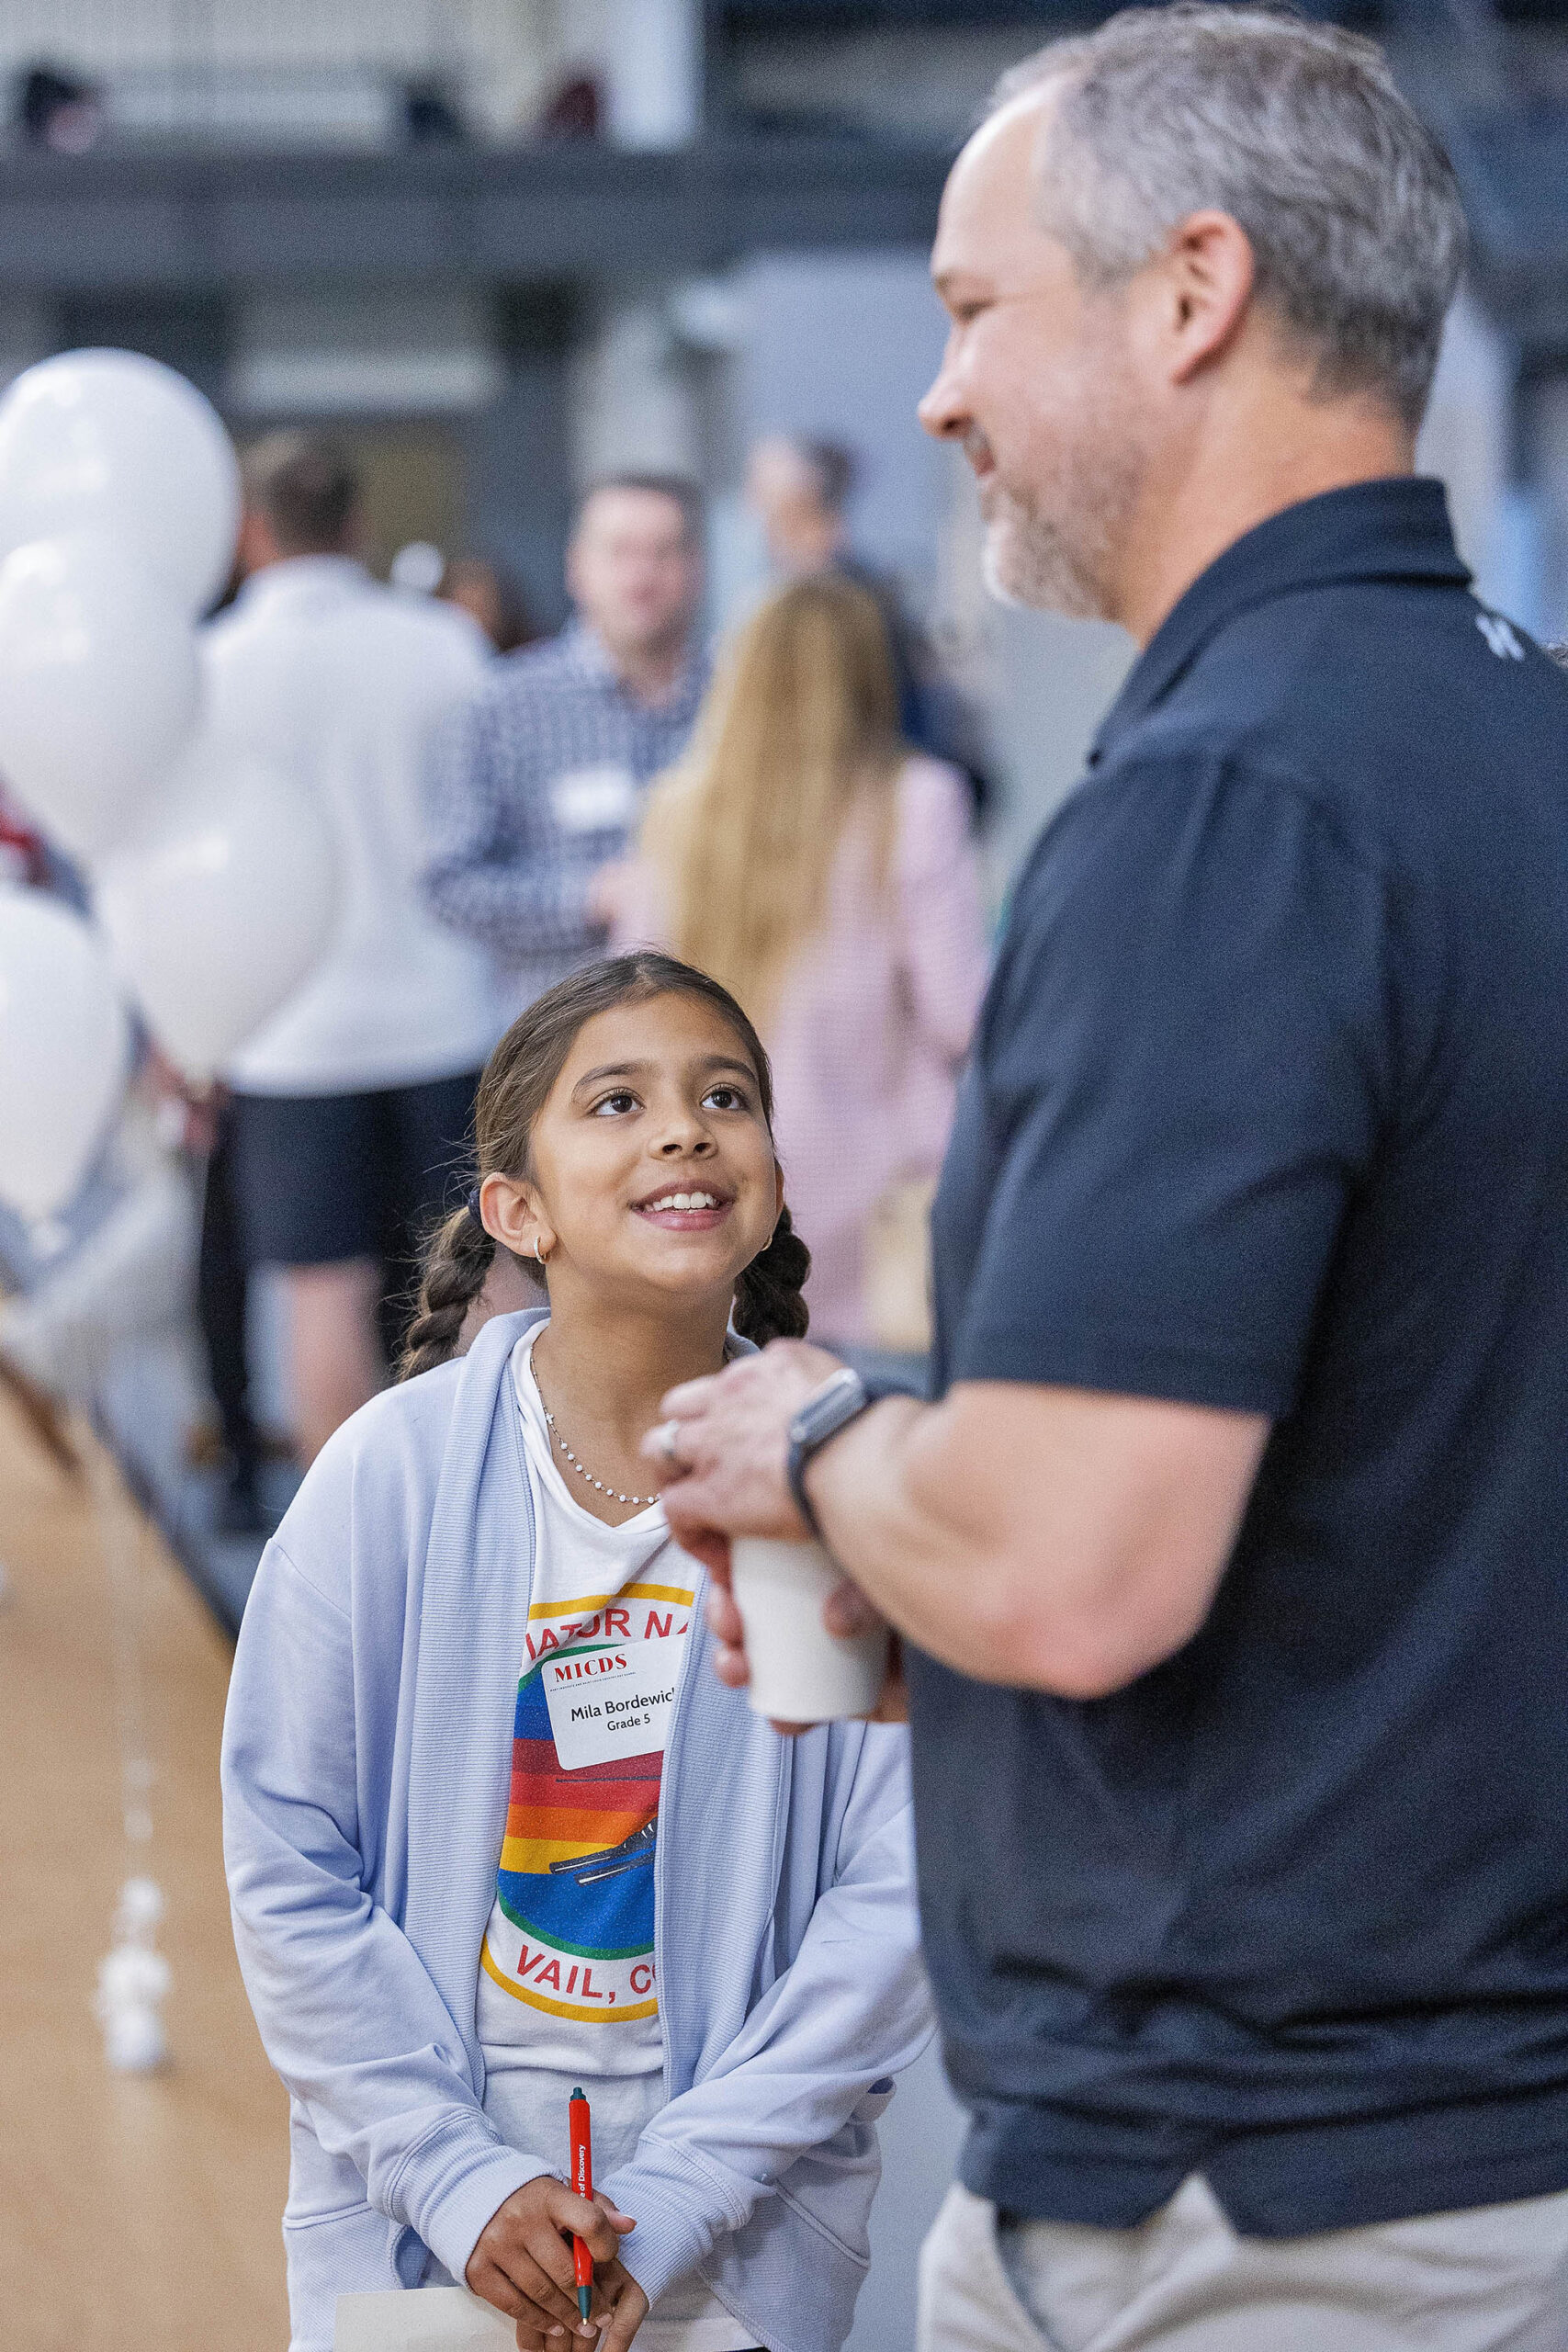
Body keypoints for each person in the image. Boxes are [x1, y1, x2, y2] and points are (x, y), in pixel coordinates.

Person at [643, 11, 1568, 2350]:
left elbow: (1073, 1568)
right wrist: (914, 1523)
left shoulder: (1221, 813)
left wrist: (824, 1444)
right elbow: (1409, 1459)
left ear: (1188, 291)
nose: (936, 397)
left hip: (1265, 2211)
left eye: (973, 310)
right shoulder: (1513, 734)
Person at [220, 951, 929, 2352]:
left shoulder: (818, 1490)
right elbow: (289, 1862)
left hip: (733, 2231)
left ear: (772, 1185)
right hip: (427, 2226)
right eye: (617, 1102)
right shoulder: (393, 1478)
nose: (683, 1131)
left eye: (723, 1097)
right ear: (516, 1210)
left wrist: (680, 2191)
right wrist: (458, 2180)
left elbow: (888, 1901)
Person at [214, 433, 502, 1464]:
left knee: (320, 1293)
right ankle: (478, 1515)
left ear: (251, 532)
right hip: (445, 1010)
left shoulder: (210, 668)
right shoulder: (443, 644)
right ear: (358, 524)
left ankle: (343, 1539)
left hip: (290, 1030)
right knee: (466, 1284)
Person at [610, 573, 987, 1348]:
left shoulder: (677, 811)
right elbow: (959, 1014)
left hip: (718, 1177)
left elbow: (633, 1005)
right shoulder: (914, 801)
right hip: (883, 1189)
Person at [423, 476, 709, 1013]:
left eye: (664, 552)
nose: (642, 576)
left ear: (698, 568)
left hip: (723, 1030)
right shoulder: (504, 707)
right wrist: (589, 898)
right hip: (564, 1036)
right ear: (577, 567)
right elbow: (449, 885)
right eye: (619, 552)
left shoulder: (738, 703)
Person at [746, 434, 990, 816]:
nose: (759, 523)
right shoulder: (793, 598)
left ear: (800, 508)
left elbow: (903, 727)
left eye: (768, 508)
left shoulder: (857, 608)